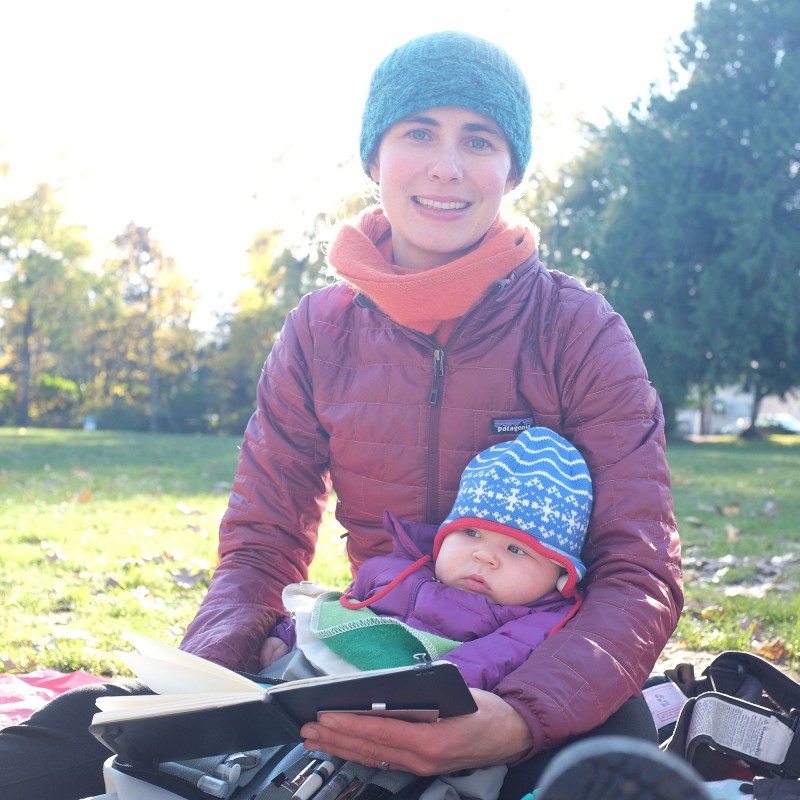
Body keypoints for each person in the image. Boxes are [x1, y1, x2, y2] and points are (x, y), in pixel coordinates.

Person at [0, 29, 682, 800]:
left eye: (479, 140)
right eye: (418, 132)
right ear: (373, 157)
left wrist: (518, 717)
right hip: (365, 668)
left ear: (511, 168)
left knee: (617, 763)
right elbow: (260, 547)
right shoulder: (320, 331)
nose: (447, 166)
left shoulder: (578, 329)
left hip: (528, 671)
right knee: (68, 738)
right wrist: (213, 682)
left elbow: (641, 571)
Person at [265, 426, 593, 693]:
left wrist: (436, 687)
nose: (484, 555)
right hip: (326, 675)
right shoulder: (395, 570)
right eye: (472, 534)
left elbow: (496, 659)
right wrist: (288, 634)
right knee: (277, 678)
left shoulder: (536, 621)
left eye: (516, 549)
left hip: (421, 703)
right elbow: (337, 607)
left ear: (560, 575)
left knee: (478, 775)